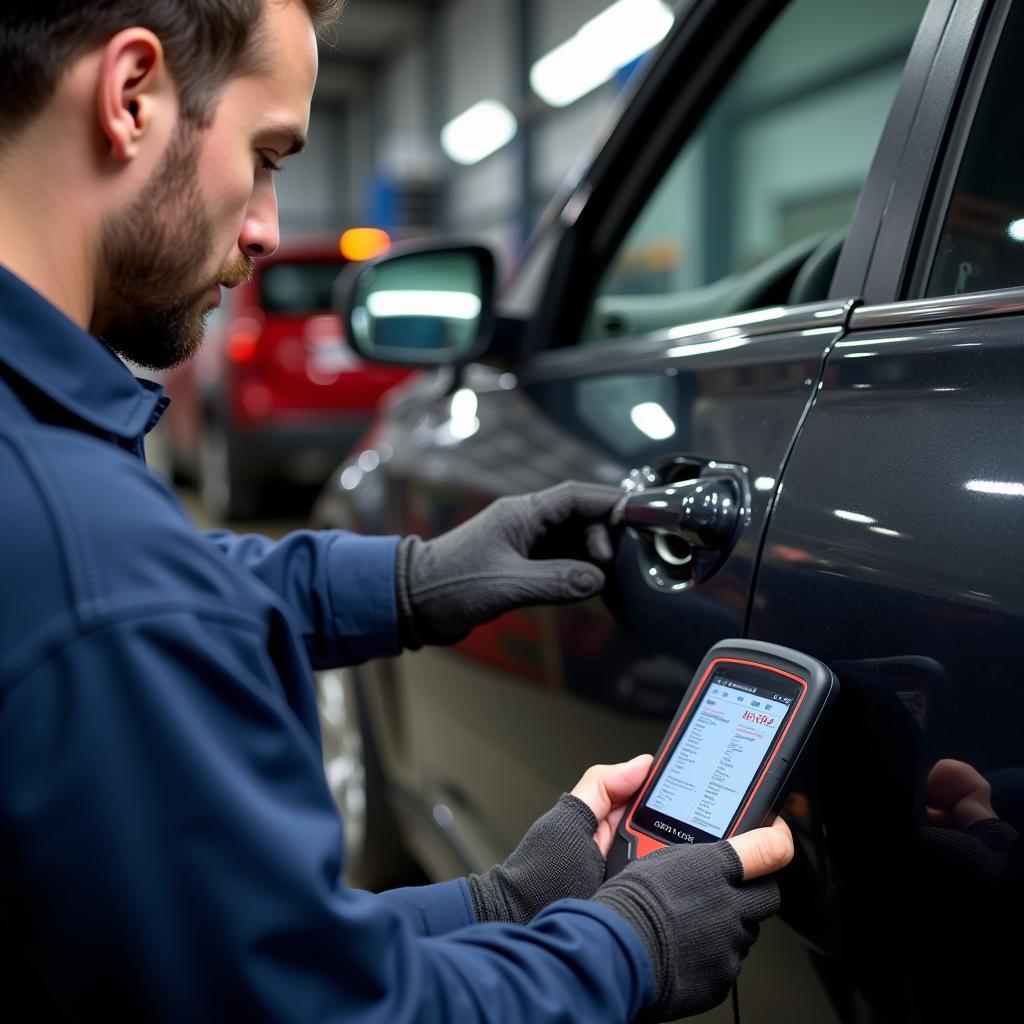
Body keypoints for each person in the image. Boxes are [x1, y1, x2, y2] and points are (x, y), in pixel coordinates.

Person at [0, 2, 793, 1020]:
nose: (265, 230)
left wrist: (501, 901)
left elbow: (206, 957)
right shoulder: (93, 565)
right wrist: (622, 949)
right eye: (267, 154)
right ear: (131, 96)